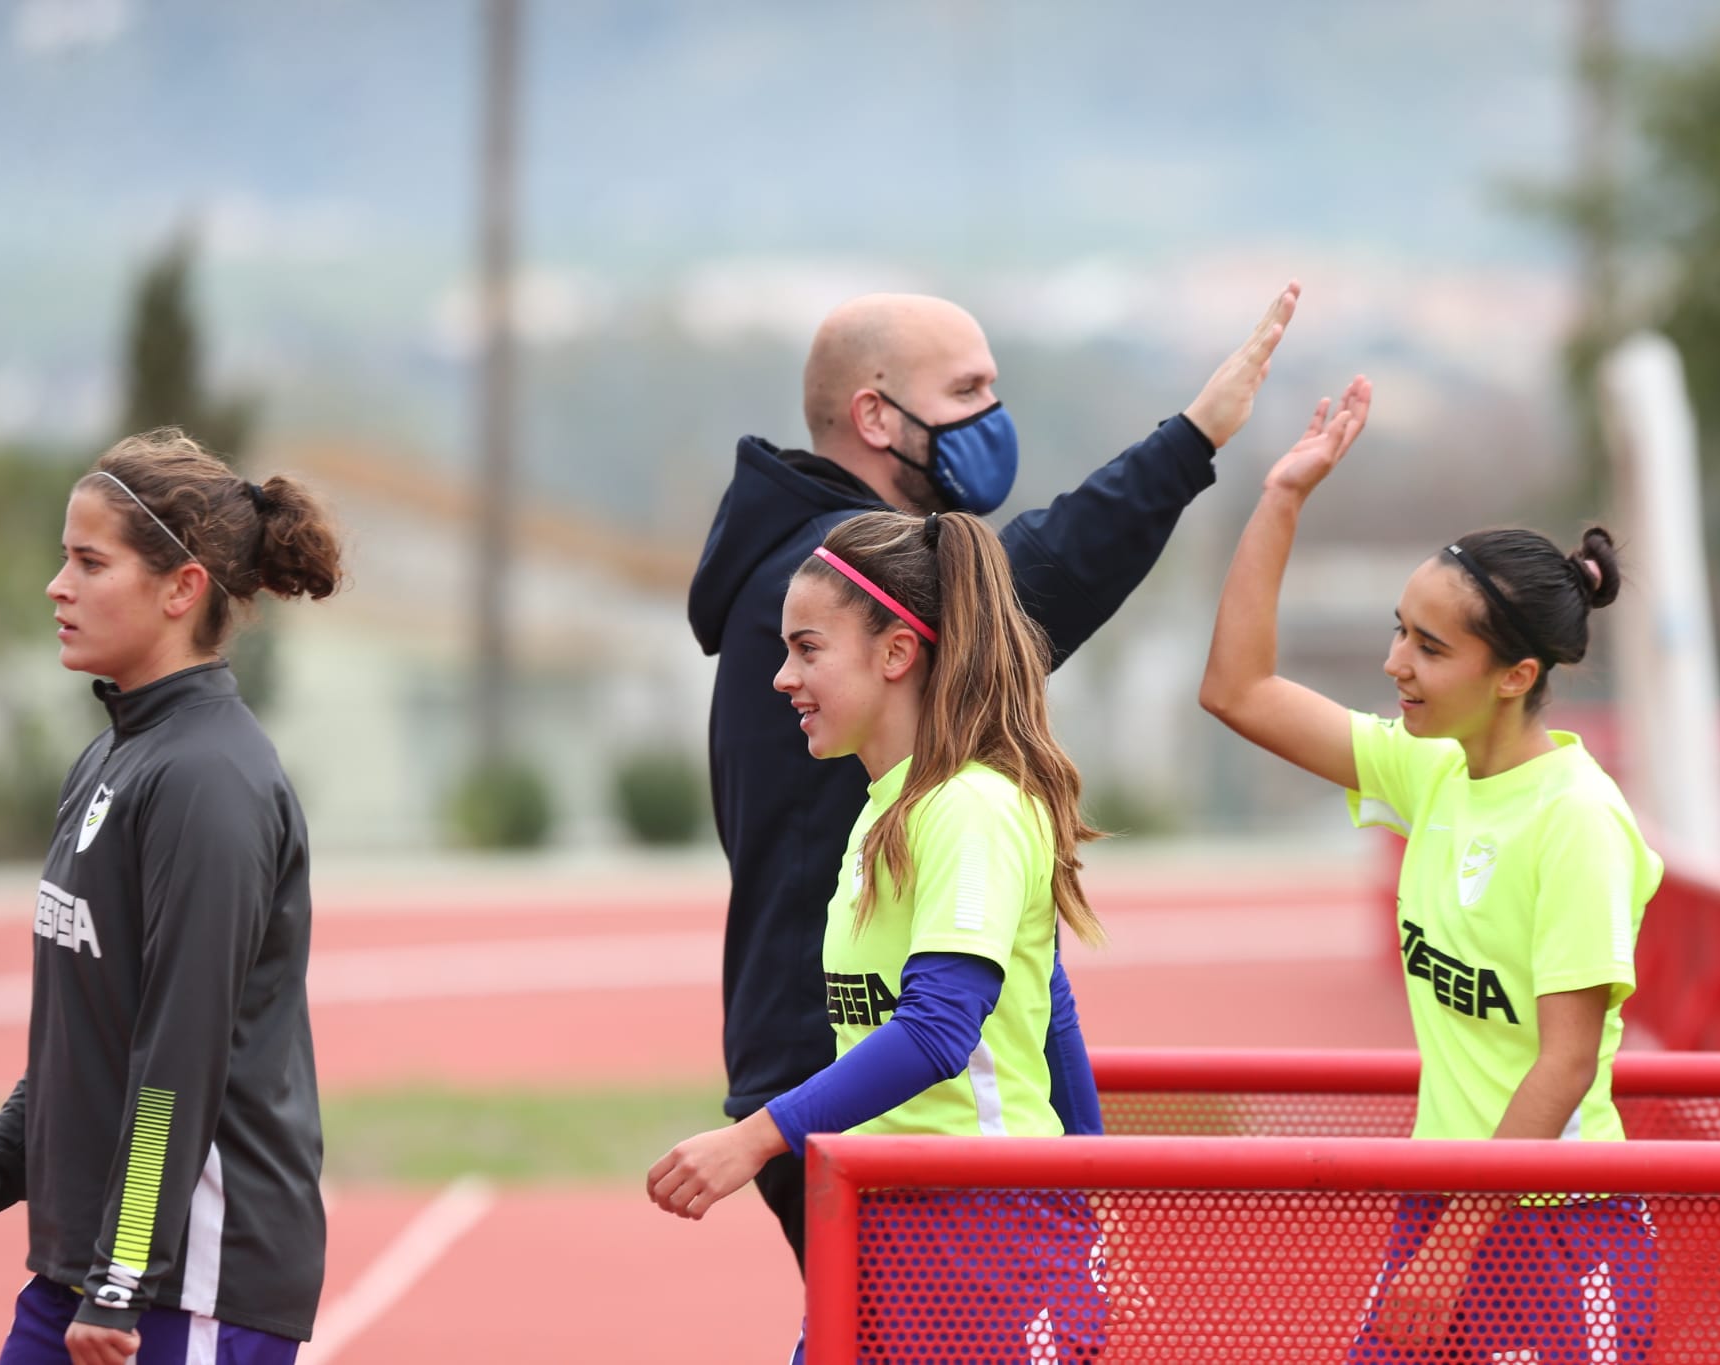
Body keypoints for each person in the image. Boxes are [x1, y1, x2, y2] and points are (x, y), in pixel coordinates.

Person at [688, 282, 1302, 1265]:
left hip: (860, 1101)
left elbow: (1039, 984)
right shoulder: (825, 589)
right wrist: (1189, 441)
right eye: (967, 388)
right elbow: (1027, 577)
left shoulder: (936, 784)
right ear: (875, 415)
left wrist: (1087, 1160)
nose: (990, 416)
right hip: (849, 1088)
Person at [1198, 382, 1662, 1362]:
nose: (1392, 662)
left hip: (1555, 1224)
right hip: (1447, 1206)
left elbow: (1564, 1062)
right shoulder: (1432, 771)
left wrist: (1454, 1247)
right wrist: (1282, 496)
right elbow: (1236, 691)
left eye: (1427, 646)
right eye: (1398, 629)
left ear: (1515, 677)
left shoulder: (1575, 820)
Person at [656, 508, 1110, 1362]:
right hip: (890, 1239)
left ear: (897, 652)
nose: (783, 676)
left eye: (809, 648)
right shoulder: (885, 812)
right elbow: (1048, 998)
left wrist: (756, 1136)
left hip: (985, 1244)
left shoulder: (970, 806)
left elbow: (943, 1029)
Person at [0, 429, 340, 1365]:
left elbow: (178, 1056)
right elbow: (98, 1029)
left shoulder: (209, 781)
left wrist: (124, 1278)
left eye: (88, 561)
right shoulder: (118, 751)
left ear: (181, 588)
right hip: (95, 1268)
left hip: (188, 1283)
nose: (57, 584)